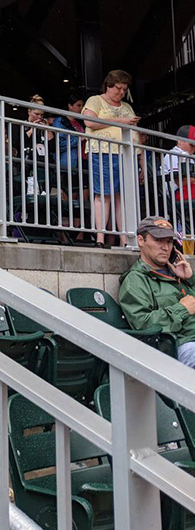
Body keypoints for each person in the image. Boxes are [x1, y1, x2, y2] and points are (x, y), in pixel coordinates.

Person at [120, 216, 195, 367]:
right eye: (158, 240)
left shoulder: (178, 272)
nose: (166, 247)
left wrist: (190, 279)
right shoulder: (136, 280)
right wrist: (181, 310)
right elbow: (143, 325)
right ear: (141, 241)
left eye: (169, 241)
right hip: (176, 347)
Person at [82, 69, 140, 247]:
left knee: (121, 196)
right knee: (104, 194)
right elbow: (89, 121)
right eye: (118, 88)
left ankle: (124, 238)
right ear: (108, 86)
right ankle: (100, 237)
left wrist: (141, 159)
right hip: (103, 151)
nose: (121, 92)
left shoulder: (127, 107)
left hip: (127, 154)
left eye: (124, 89)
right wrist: (121, 122)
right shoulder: (95, 100)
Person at [52, 94, 86, 172]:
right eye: (78, 105)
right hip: (68, 161)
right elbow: (60, 143)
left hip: (82, 160)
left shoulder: (81, 121)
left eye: (82, 105)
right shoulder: (60, 121)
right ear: (70, 106)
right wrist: (80, 139)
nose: (82, 108)